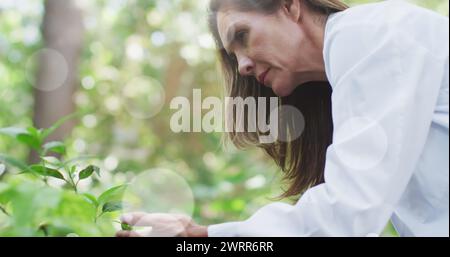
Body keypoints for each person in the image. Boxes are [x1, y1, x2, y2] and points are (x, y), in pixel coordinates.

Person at [116, 0, 449, 237]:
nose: (243, 65)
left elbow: (347, 218)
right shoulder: (347, 78)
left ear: (289, 5)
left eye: (242, 36)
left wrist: (200, 238)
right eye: (234, 57)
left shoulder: (369, 35)